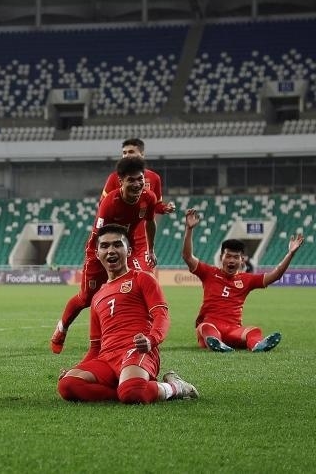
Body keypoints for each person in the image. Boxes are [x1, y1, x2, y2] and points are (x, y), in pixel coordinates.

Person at [57, 224, 199, 404]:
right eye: (105, 246)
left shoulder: (142, 279)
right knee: (67, 385)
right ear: (97, 253)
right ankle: (125, 388)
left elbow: (161, 315)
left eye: (117, 244)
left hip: (137, 350)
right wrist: (77, 369)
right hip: (106, 359)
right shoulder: (97, 297)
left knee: (133, 394)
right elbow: (95, 348)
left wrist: (151, 340)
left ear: (129, 251)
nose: (111, 250)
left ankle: (175, 387)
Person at [51, 156, 176, 353]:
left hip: (126, 249)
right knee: (86, 299)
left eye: (140, 179)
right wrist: (100, 257)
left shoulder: (148, 197)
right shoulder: (110, 203)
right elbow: (98, 236)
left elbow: (150, 222)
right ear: (121, 182)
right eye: (131, 180)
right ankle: (61, 328)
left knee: (136, 286)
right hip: (99, 250)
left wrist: (151, 250)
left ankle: (135, 335)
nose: (137, 184)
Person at [182, 209, 304, 352]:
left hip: (233, 330)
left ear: (242, 260)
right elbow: (187, 257)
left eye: (236, 257)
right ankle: (217, 344)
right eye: (228, 256)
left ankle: (257, 346)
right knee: (205, 327)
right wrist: (189, 229)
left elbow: (275, 275)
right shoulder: (209, 273)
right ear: (221, 257)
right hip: (211, 325)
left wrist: (290, 254)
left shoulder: (247, 279)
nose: (231, 260)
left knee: (254, 331)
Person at [100, 138, 164, 270]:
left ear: (142, 154)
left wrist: (164, 208)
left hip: (141, 240)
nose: (127, 155)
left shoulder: (154, 178)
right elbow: (104, 207)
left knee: (145, 276)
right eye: (124, 153)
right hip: (120, 237)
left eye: (131, 152)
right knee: (123, 277)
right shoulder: (114, 178)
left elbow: (156, 208)